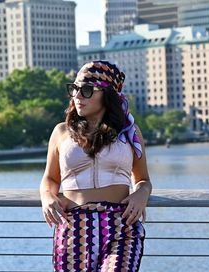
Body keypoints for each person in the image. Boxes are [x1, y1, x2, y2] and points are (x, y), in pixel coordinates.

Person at [39, 60, 152, 272]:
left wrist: (140, 194)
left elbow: (143, 179)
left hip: (121, 224)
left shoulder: (129, 132)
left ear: (107, 95)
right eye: (74, 89)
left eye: (87, 90)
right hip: (73, 226)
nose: (78, 96)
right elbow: (50, 179)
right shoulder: (61, 132)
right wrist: (46, 196)